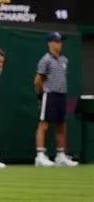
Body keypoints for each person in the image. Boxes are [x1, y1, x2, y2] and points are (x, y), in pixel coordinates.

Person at [34, 32, 78, 167]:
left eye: (60, 41)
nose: (60, 44)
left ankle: (60, 156)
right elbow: (37, 81)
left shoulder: (65, 60)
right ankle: (40, 156)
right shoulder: (45, 60)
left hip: (62, 96)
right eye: (57, 41)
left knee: (61, 125)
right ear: (50, 43)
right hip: (49, 94)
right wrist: (41, 96)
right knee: (44, 125)